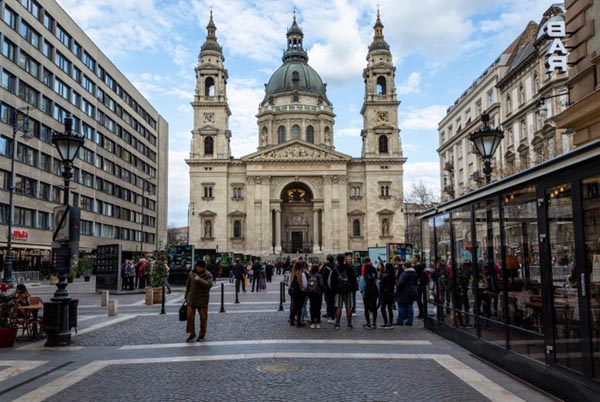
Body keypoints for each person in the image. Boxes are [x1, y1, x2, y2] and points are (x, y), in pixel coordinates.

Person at [185, 260, 213, 342]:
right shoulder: (191, 273)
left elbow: (209, 285)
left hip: (202, 299)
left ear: (203, 267)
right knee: (189, 317)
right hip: (192, 299)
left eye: (200, 267)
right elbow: (188, 285)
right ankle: (192, 333)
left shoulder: (208, 275)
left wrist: (199, 279)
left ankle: (201, 335)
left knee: (203, 318)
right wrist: (186, 296)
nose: (199, 269)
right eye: (198, 267)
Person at [330, 254, 357, 329]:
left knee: (339, 307)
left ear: (337, 260)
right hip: (348, 290)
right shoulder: (349, 268)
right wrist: (352, 288)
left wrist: (334, 290)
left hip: (339, 291)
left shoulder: (335, 269)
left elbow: (333, 282)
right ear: (344, 260)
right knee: (348, 307)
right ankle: (349, 324)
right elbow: (353, 279)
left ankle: (337, 323)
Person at [359, 258, 379, 329]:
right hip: (374, 293)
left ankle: (368, 323)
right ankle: (374, 323)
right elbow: (377, 285)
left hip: (366, 294)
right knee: (374, 308)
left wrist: (363, 293)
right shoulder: (375, 277)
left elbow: (361, 288)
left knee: (366, 308)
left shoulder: (363, 277)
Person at [395, 261, 417, 326]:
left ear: (405, 266)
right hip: (412, 291)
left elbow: (400, 283)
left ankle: (400, 321)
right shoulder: (414, 273)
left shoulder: (404, 274)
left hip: (404, 292)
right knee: (410, 306)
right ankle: (410, 321)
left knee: (401, 306)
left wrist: (397, 289)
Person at [288, 260, 308, 327]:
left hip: (293, 292)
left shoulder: (292, 274)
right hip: (300, 292)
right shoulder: (302, 274)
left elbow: (289, 283)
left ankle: (292, 321)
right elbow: (305, 284)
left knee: (294, 306)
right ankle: (299, 322)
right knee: (299, 307)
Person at [307, 263, 324, 328]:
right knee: (318, 306)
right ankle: (318, 320)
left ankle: (312, 320)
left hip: (311, 293)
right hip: (318, 293)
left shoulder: (309, 275)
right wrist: (322, 291)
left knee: (312, 306)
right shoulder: (319, 275)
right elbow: (322, 284)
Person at [380, 263, 396, 328]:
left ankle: (386, 322)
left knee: (383, 308)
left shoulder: (385, 275)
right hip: (391, 293)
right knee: (390, 308)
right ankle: (391, 322)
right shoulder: (393, 275)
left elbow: (382, 284)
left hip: (385, 293)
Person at [321, 254, 336, 322]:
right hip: (334, 287)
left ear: (327, 259)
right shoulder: (335, 266)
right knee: (333, 301)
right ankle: (333, 314)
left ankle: (330, 315)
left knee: (328, 301)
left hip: (327, 287)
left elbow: (322, 276)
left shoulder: (325, 266)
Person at [412, 255, 427, 319]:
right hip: (420, 284)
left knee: (419, 299)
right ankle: (422, 312)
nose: (413, 259)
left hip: (419, 284)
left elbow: (416, 275)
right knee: (419, 299)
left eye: (414, 258)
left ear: (417, 259)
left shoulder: (418, 266)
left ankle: (422, 313)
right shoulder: (419, 266)